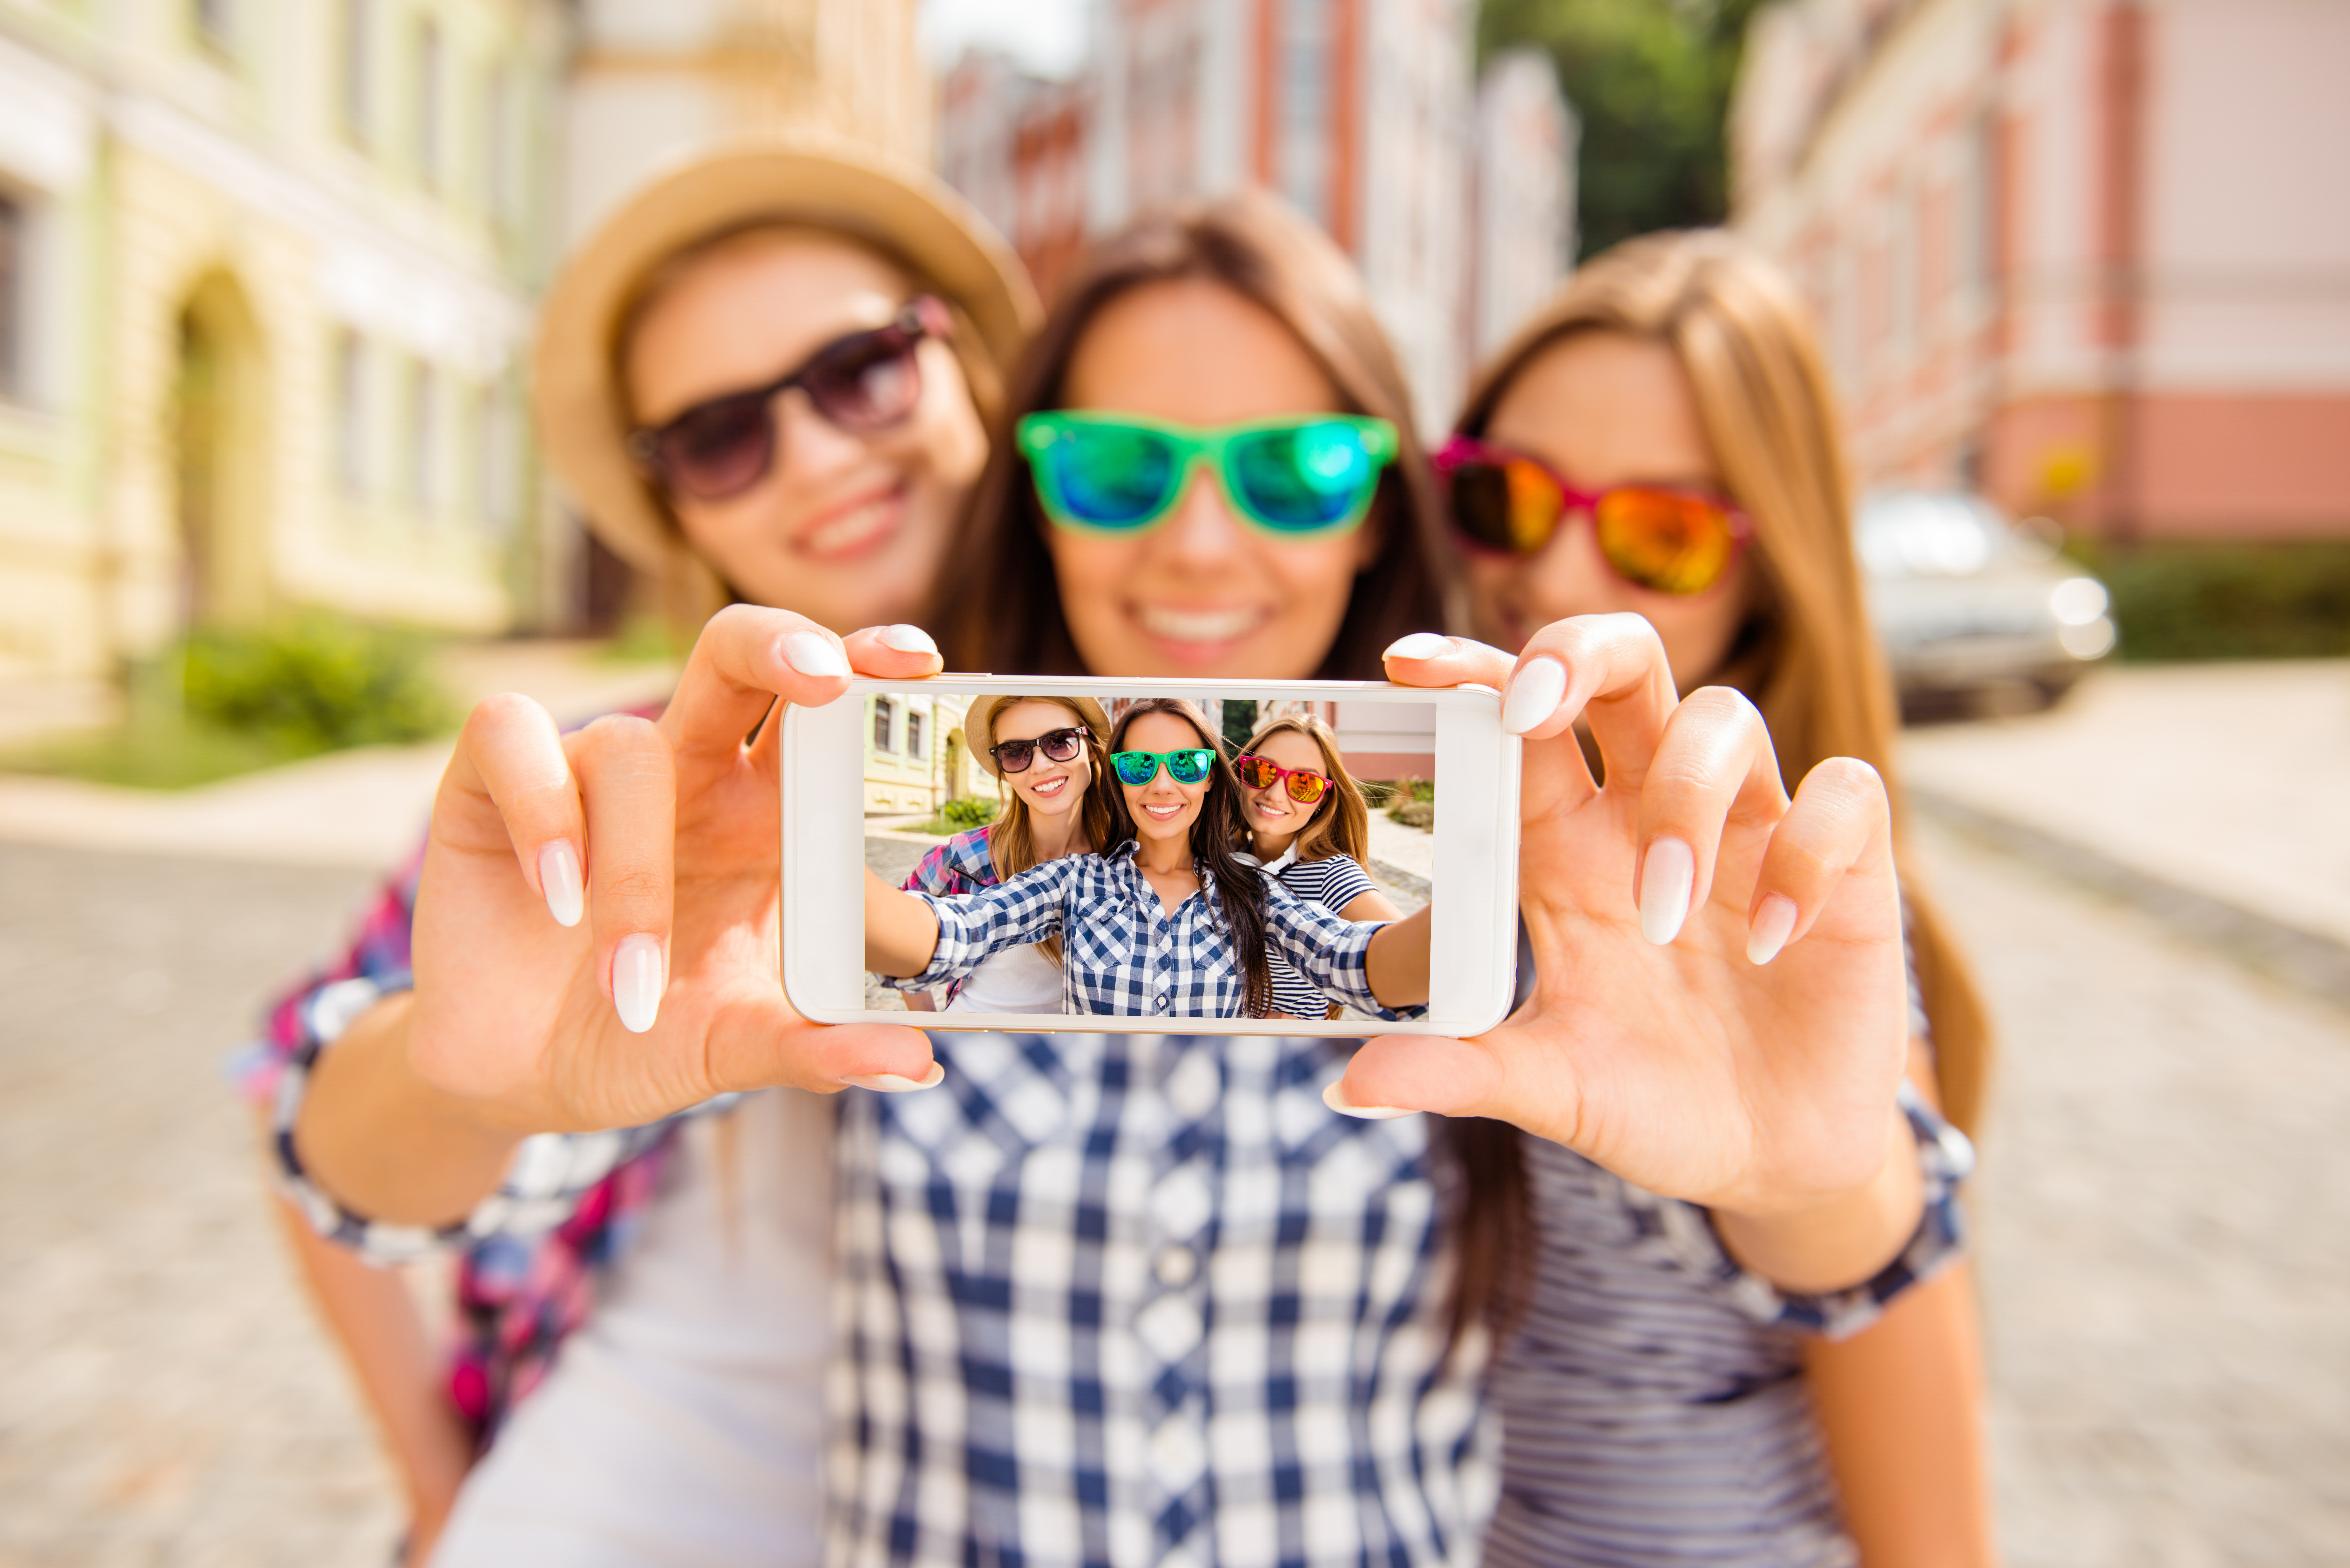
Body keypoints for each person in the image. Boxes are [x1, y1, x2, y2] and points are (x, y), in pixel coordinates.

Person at [272, 193, 1950, 1568]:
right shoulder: (864, 818)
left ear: (1380, 509)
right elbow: (362, 1161)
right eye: (1118, 469)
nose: (1200, 542)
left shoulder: (1506, 869)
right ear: (1038, 495)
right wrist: (473, 1070)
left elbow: (1815, 1240)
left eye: (1295, 469)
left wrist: (1819, 1170)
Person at [239, 132, 1037, 1567]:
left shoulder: (1155, 752)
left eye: (860, 368)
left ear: (965, 362)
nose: (819, 456)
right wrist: (441, 1489)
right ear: (673, 499)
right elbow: (303, 1108)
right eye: (721, 435)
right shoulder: (613, 786)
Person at [1418, 228, 1996, 1566]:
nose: (1557, 580)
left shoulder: (1785, 918)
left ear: (1768, 583)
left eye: (1660, 535)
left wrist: (1820, 1183)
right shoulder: (1407, 833)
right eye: (1509, 496)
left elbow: (1931, 1527)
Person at [867, 697, 1432, 1018]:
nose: (1162, 784)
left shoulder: (1252, 890)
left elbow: (1355, 959)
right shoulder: (1073, 881)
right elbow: (952, 932)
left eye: (1185, 764)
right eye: (1139, 765)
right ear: (1117, 777)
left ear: (1210, 777)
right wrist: (822, 868)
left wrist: (1476, 905)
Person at [895, 693, 1114, 1014]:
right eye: (1015, 752)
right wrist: (928, 1026)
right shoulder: (966, 857)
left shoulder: (1122, 859)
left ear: (1091, 747)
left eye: (1060, 742)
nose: (1041, 766)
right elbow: (895, 926)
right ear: (1003, 769)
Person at [1232, 711, 1404, 1019]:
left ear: (1323, 800)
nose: (1275, 794)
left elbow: (1418, 962)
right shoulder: (1228, 857)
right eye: (1262, 770)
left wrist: (1309, 1032)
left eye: (1304, 783)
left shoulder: (1331, 873)